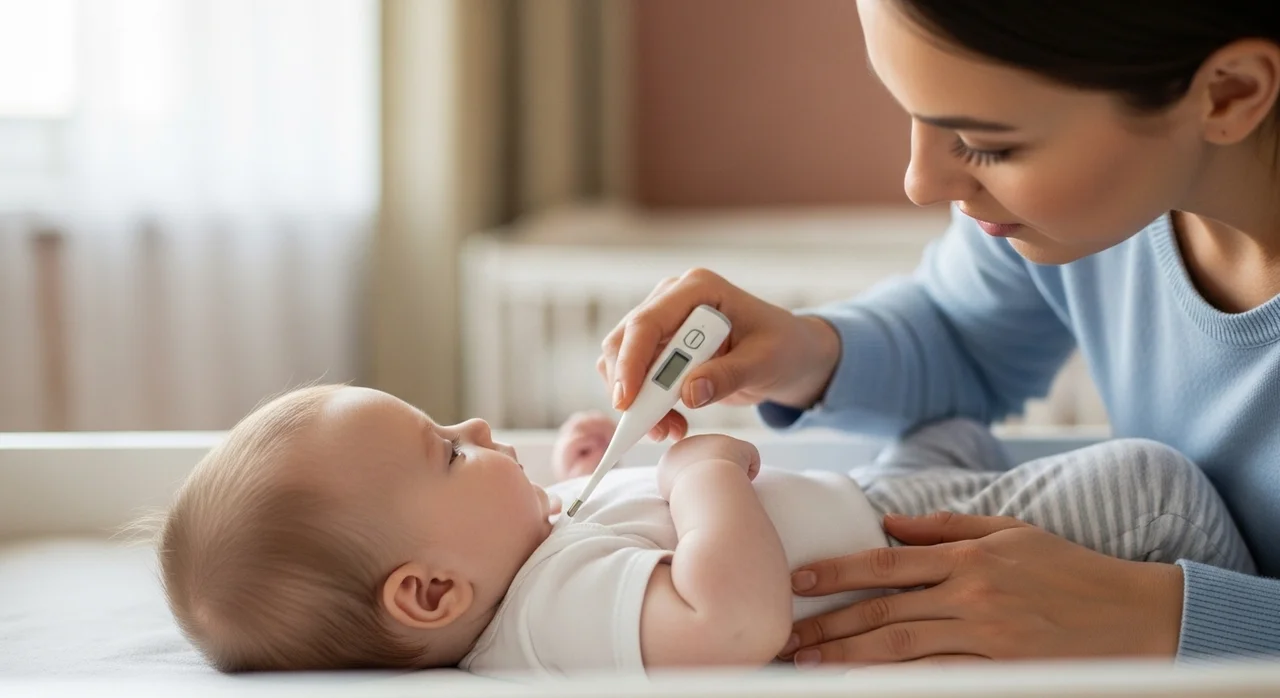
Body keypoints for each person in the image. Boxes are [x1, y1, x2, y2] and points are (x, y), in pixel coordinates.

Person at [598, 0, 1280, 666]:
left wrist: (1153, 616)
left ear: (1229, 94)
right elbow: (962, 336)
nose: (920, 183)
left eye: (987, 144)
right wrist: (808, 353)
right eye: (916, 113)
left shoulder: (1102, 200)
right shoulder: (1102, 209)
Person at [155, 384, 1249, 674]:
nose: (477, 427)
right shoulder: (542, 619)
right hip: (917, 548)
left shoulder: (519, 567)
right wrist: (700, 467)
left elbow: (610, 539)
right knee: (1148, 486)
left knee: (942, 421)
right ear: (430, 592)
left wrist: (587, 470)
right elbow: (728, 618)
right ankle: (1248, 654)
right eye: (446, 450)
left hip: (876, 494)